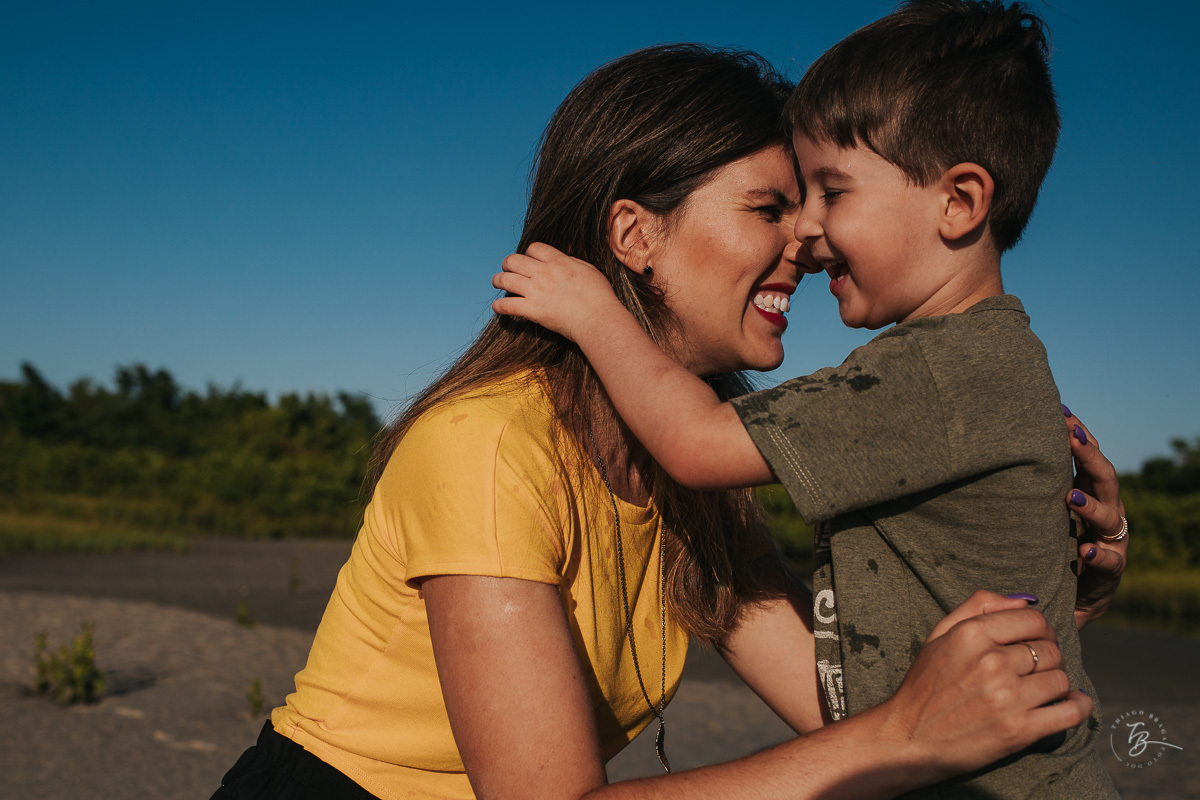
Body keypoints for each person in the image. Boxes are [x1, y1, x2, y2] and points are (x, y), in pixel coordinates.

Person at [213, 43, 1125, 800]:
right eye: (770, 207)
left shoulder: (700, 477)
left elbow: (842, 704)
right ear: (633, 237)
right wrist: (900, 736)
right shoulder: (489, 445)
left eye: (817, 202)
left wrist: (1035, 597)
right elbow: (879, 733)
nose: (803, 244)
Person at [493, 3, 1124, 798]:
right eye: (781, 205)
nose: (807, 234)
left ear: (960, 202)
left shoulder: (938, 371)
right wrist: (1079, 586)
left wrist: (595, 315)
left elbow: (695, 444)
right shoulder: (978, 362)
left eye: (831, 193)